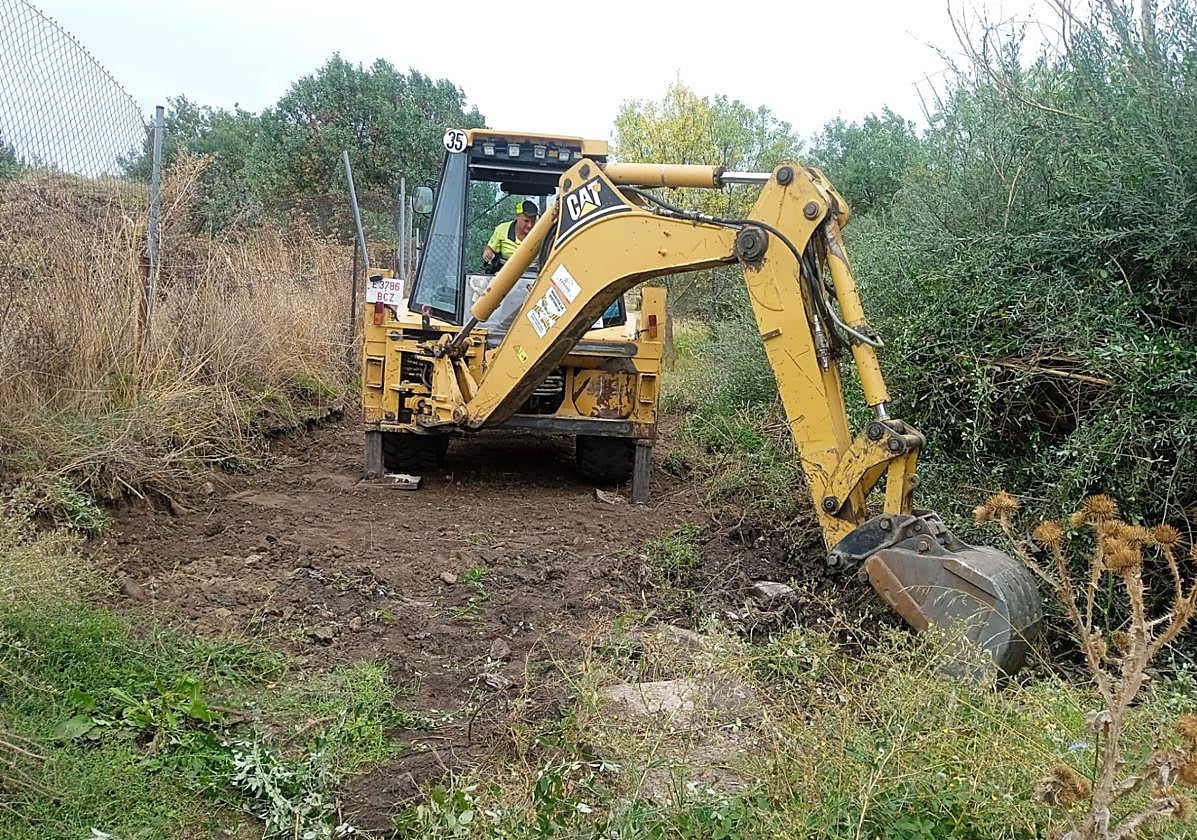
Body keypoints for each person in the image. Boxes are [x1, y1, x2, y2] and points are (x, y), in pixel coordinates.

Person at [482, 199, 538, 273]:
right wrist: (488, 253)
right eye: (526, 221)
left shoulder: (541, 232)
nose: (530, 225)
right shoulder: (502, 229)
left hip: (535, 276)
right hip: (505, 274)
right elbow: (490, 249)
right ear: (517, 217)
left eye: (533, 221)